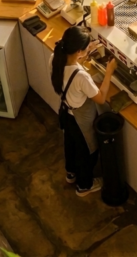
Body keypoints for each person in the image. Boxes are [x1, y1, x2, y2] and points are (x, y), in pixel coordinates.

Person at [50, 26, 117, 197]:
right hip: (80, 120)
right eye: (86, 47)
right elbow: (101, 98)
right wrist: (109, 72)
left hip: (66, 113)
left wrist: (82, 55)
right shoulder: (80, 76)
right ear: (78, 50)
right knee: (87, 152)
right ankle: (84, 186)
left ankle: (71, 174)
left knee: (70, 145)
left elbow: (69, 69)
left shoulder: (54, 58)